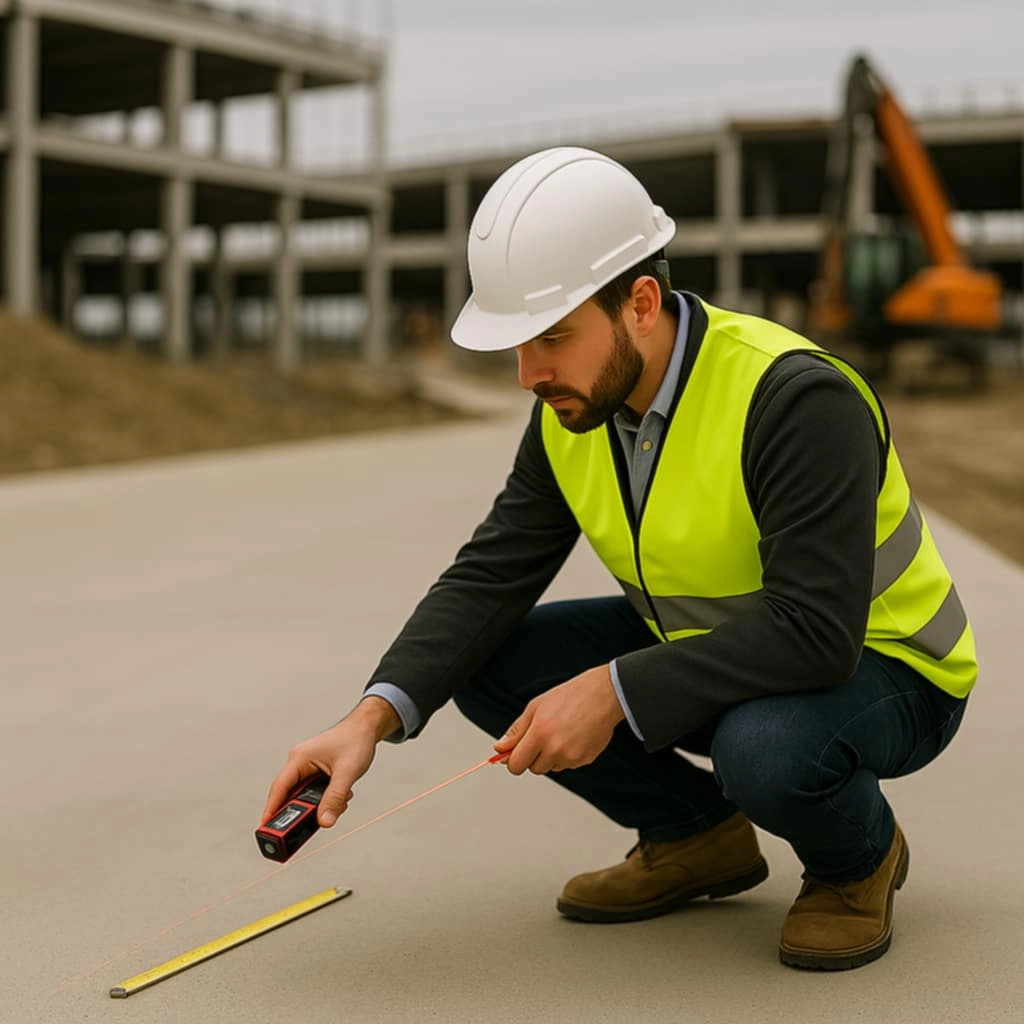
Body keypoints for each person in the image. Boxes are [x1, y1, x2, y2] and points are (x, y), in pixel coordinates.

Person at [263, 146, 975, 971]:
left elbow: (816, 633)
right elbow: (489, 574)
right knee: (492, 663)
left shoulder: (794, 398)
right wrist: (368, 721)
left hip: (885, 666)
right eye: (517, 346)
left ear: (641, 302)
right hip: (726, 649)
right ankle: (696, 837)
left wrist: (613, 689)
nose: (530, 375)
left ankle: (858, 864)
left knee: (764, 751)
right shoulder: (575, 406)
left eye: (553, 338)